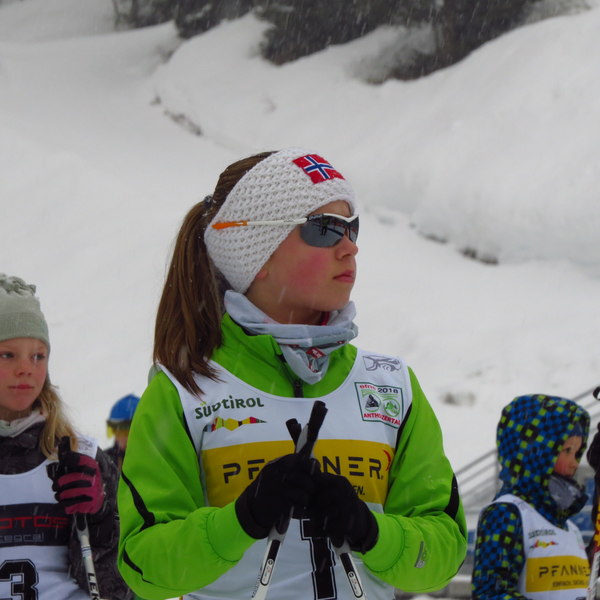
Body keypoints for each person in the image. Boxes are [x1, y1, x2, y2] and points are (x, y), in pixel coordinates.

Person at [117, 147, 467, 600]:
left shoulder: (391, 384)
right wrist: (240, 520)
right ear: (256, 254)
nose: (350, 246)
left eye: (352, 227)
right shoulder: (185, 390)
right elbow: (144, 566)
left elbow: (443, 556)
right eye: (324, 228)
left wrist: (372, 532)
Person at [0, 273, 131, 599]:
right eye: (8, 354)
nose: (26, 368)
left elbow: (122, 589)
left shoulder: (78, 456)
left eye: (38, 355)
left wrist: (100, 521)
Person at [472, 394, 590, 600]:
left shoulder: (568, 526)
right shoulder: (506, 514)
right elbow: (490, 593)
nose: (575, 462)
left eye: (577, 452)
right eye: (567, 451)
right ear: (536, 451)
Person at [105, 393, 140, 471]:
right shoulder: (106, 462)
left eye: (126, 432)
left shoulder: (157, 459)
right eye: (116, 432)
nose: (122, 439)